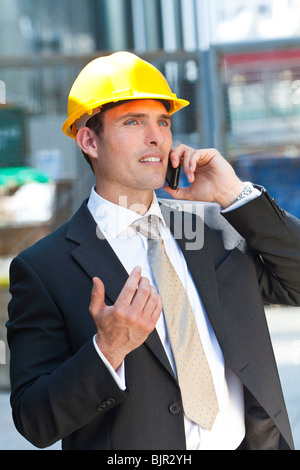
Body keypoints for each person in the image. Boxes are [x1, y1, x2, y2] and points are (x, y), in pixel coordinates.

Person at [6, 51, 300, 451]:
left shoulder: (214, 227)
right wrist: (107, 350)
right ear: (89, 139)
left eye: (162, 121)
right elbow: (34, 420)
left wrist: (234, 195)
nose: (156, 136)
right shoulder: (44, 269)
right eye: (133, 121)